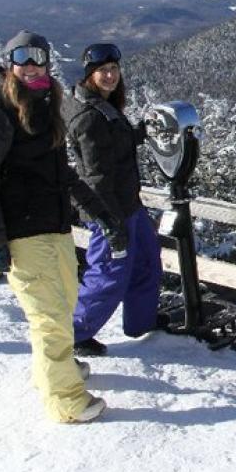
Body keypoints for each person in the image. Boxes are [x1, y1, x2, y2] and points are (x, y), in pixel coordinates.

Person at [0, 30, 128, 423]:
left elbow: (64, 175)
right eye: (23, 57)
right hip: (21, 230)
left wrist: (101, 214)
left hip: (52, 224)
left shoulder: (42, 102)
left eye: (39, 57)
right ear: (8, 62)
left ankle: (56, 369)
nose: (32, 64)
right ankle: (67, 401)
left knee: (65, 302)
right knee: (50, 317)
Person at [64, 43, 164, 357]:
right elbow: (95, 177)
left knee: (147, 262)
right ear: (89, 75)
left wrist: (139, 133)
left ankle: (140, 322)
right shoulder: (89, 117)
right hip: (110, 212)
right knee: (109, 272)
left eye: (114, 70)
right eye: (103, 71)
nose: (110, 76)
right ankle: (76, 334)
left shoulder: (103, 108)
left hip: (129, 206)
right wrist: (109, 223)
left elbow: (114, 146)